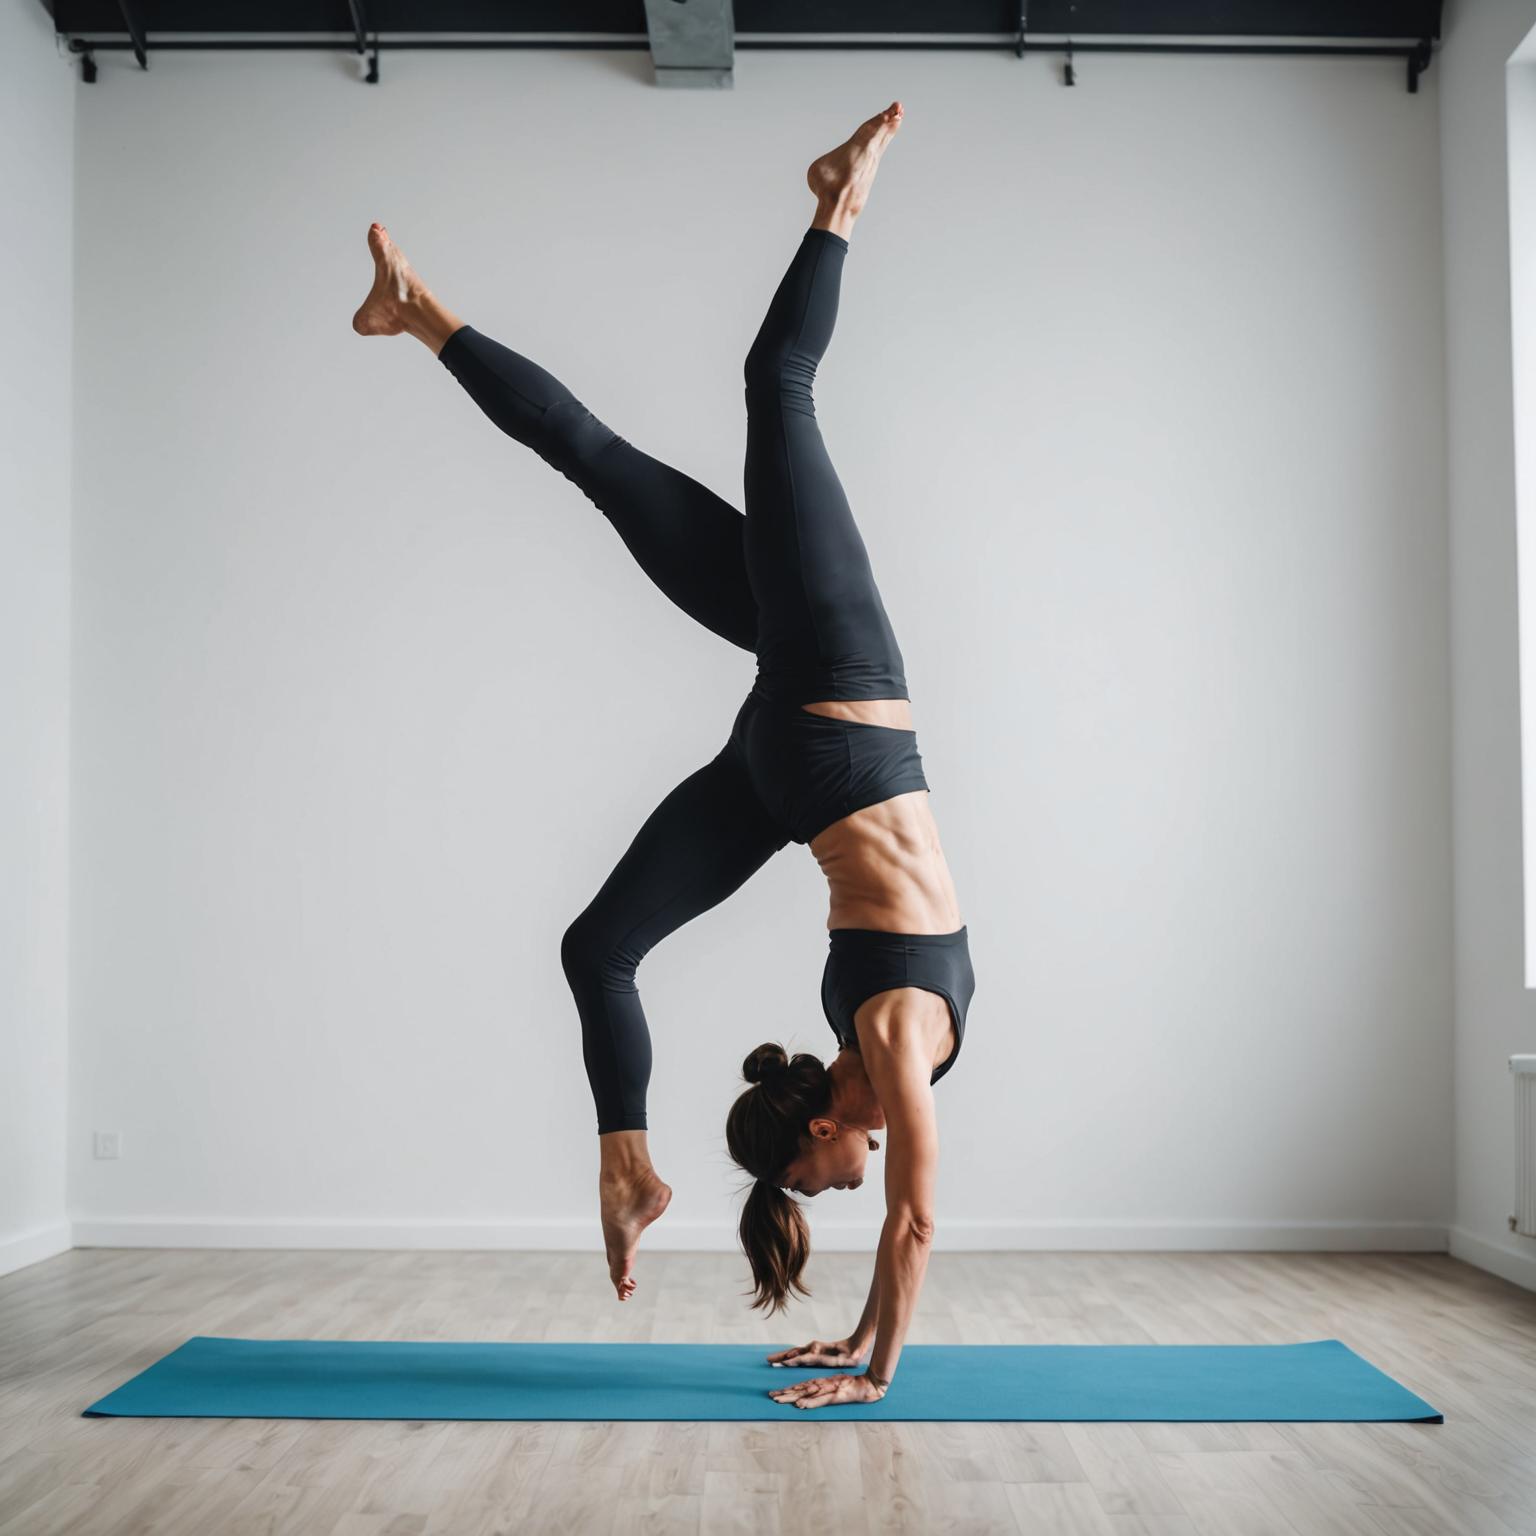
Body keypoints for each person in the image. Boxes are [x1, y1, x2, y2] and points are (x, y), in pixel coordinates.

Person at [353, 101, 973, 1408]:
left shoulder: (884, 1046)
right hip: (805, 737)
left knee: (741, 403)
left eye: (813, 1184)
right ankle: (416, 313)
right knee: (622, 457)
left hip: (814, 718)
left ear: (824, 1130)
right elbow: (910, 1224)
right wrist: (864, 1354)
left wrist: (870, 1367)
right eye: (809, 1192)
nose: (842, 1194)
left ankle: (834, 201)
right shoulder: (890, 1044)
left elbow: (910, 1225)